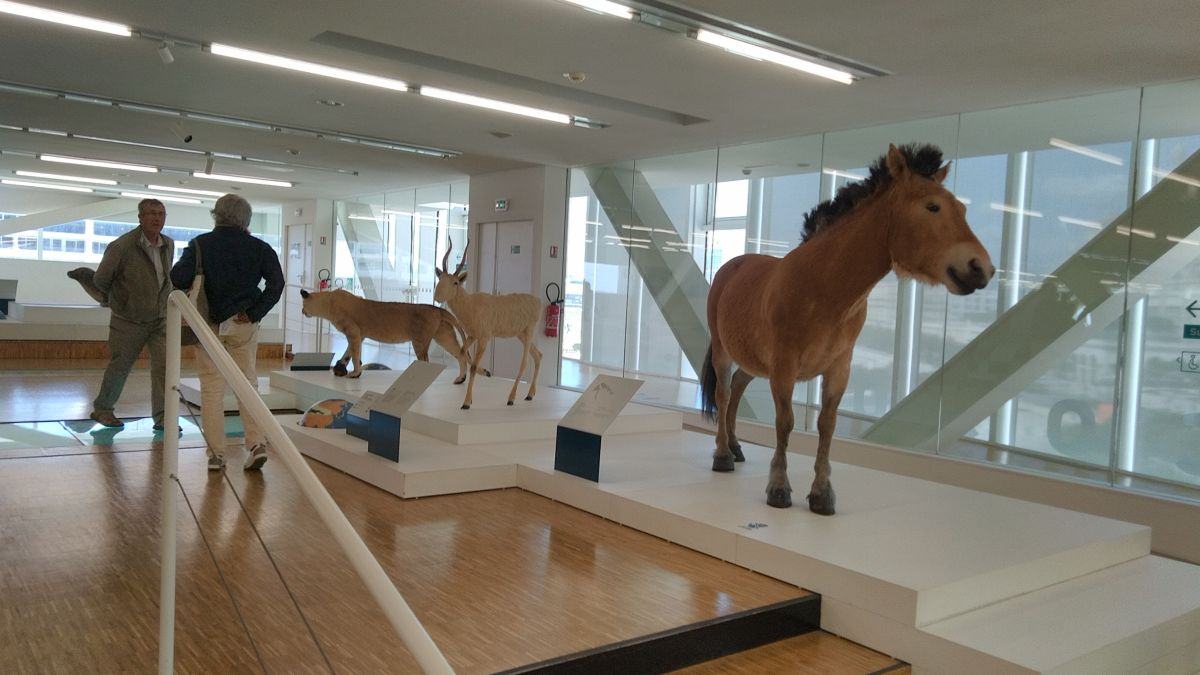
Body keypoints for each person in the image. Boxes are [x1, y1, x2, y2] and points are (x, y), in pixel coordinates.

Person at [171, 194, 284, 471]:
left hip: (207, 324)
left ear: (216, 215)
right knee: (248, 383)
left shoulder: (199, 245)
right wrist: (255, 311)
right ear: (245, 219)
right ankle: (256, 443)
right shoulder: (259, 248)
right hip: (244, 324)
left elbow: (177, 277)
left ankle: (216, 455)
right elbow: (277, 283)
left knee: (211, 389)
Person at [90, 199, 173, 430]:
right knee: (120, 366)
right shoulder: (122, 246)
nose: (157, 218)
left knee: (164, 368)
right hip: (128, 321)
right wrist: (121, 302)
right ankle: (103, 409)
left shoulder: (169, 244)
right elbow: (100, 280)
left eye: (161, 214)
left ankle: (163, 417)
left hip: (160, 319)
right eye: (151, 213)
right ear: (140, 217)